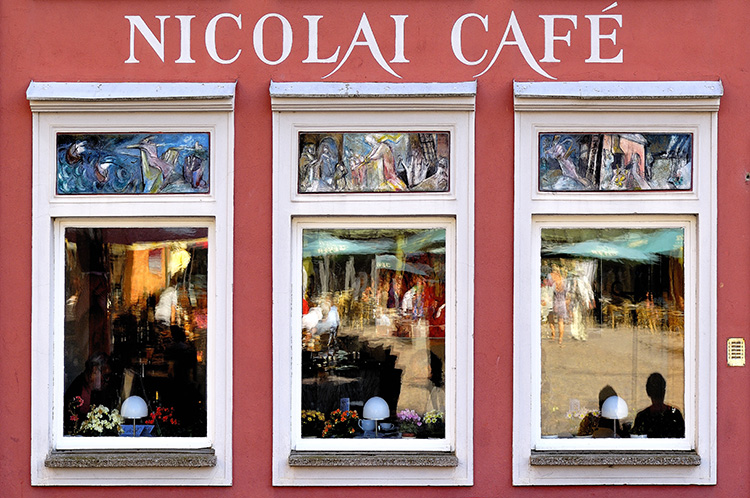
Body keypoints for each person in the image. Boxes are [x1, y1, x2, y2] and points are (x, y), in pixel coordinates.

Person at [632, 372, 685, 438]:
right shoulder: (674, 414)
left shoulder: (675, 415)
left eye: (659, 390)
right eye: (655, 391)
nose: (658, 394)